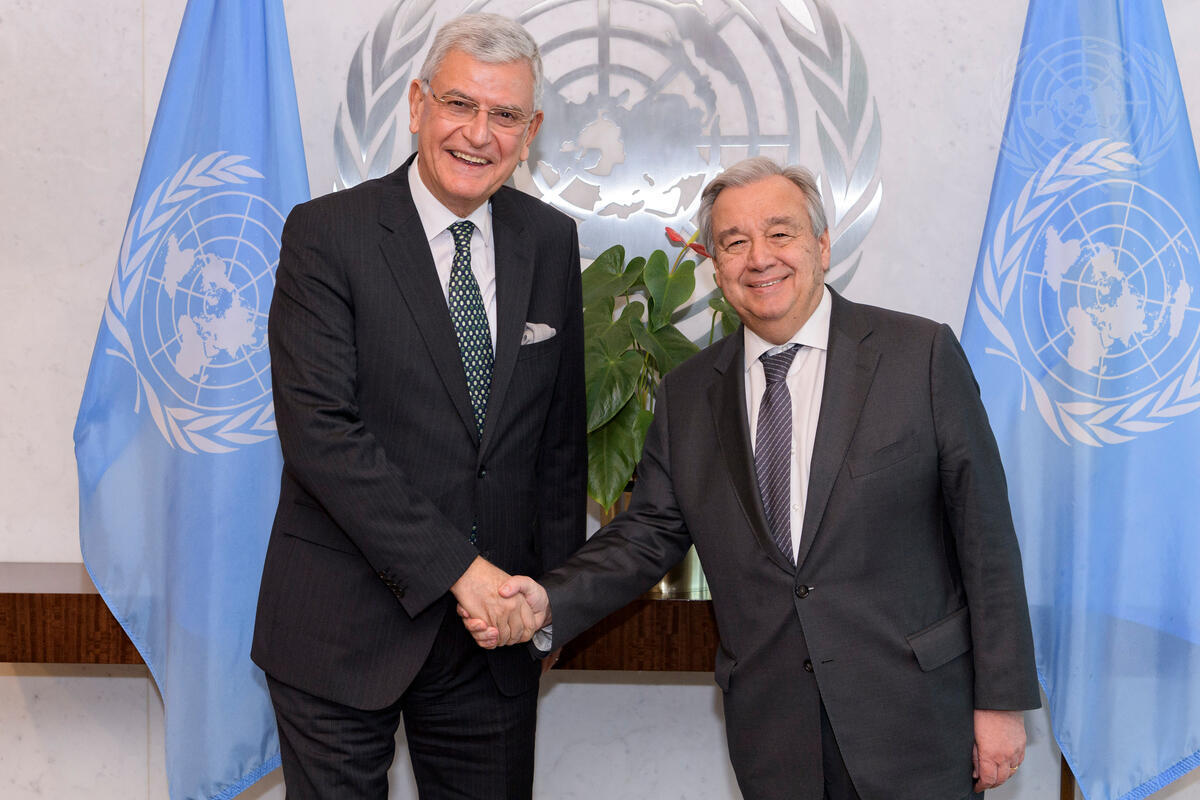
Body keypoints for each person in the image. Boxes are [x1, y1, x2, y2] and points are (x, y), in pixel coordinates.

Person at [465, 157, 1040, 799]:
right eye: (734, 242)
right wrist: (547, 602)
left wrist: (1000, 702)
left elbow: (986, 539)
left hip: (916, 719)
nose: (759, 258)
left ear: (822, 245)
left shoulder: (919, 356)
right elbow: (645, 535)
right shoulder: (687, 395)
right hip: (775, 732)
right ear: (716, 267)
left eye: (780, 233)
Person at [251, 13, 585, 799]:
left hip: (492, 639)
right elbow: (322, 434)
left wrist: (549, 604)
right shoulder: (327, 234)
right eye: (459, 104)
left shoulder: (550, 240)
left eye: (505, 115)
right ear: (416, 104)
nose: (479, 133)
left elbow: (559, 443)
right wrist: (459, 571)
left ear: (531, 132)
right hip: (340, 624)